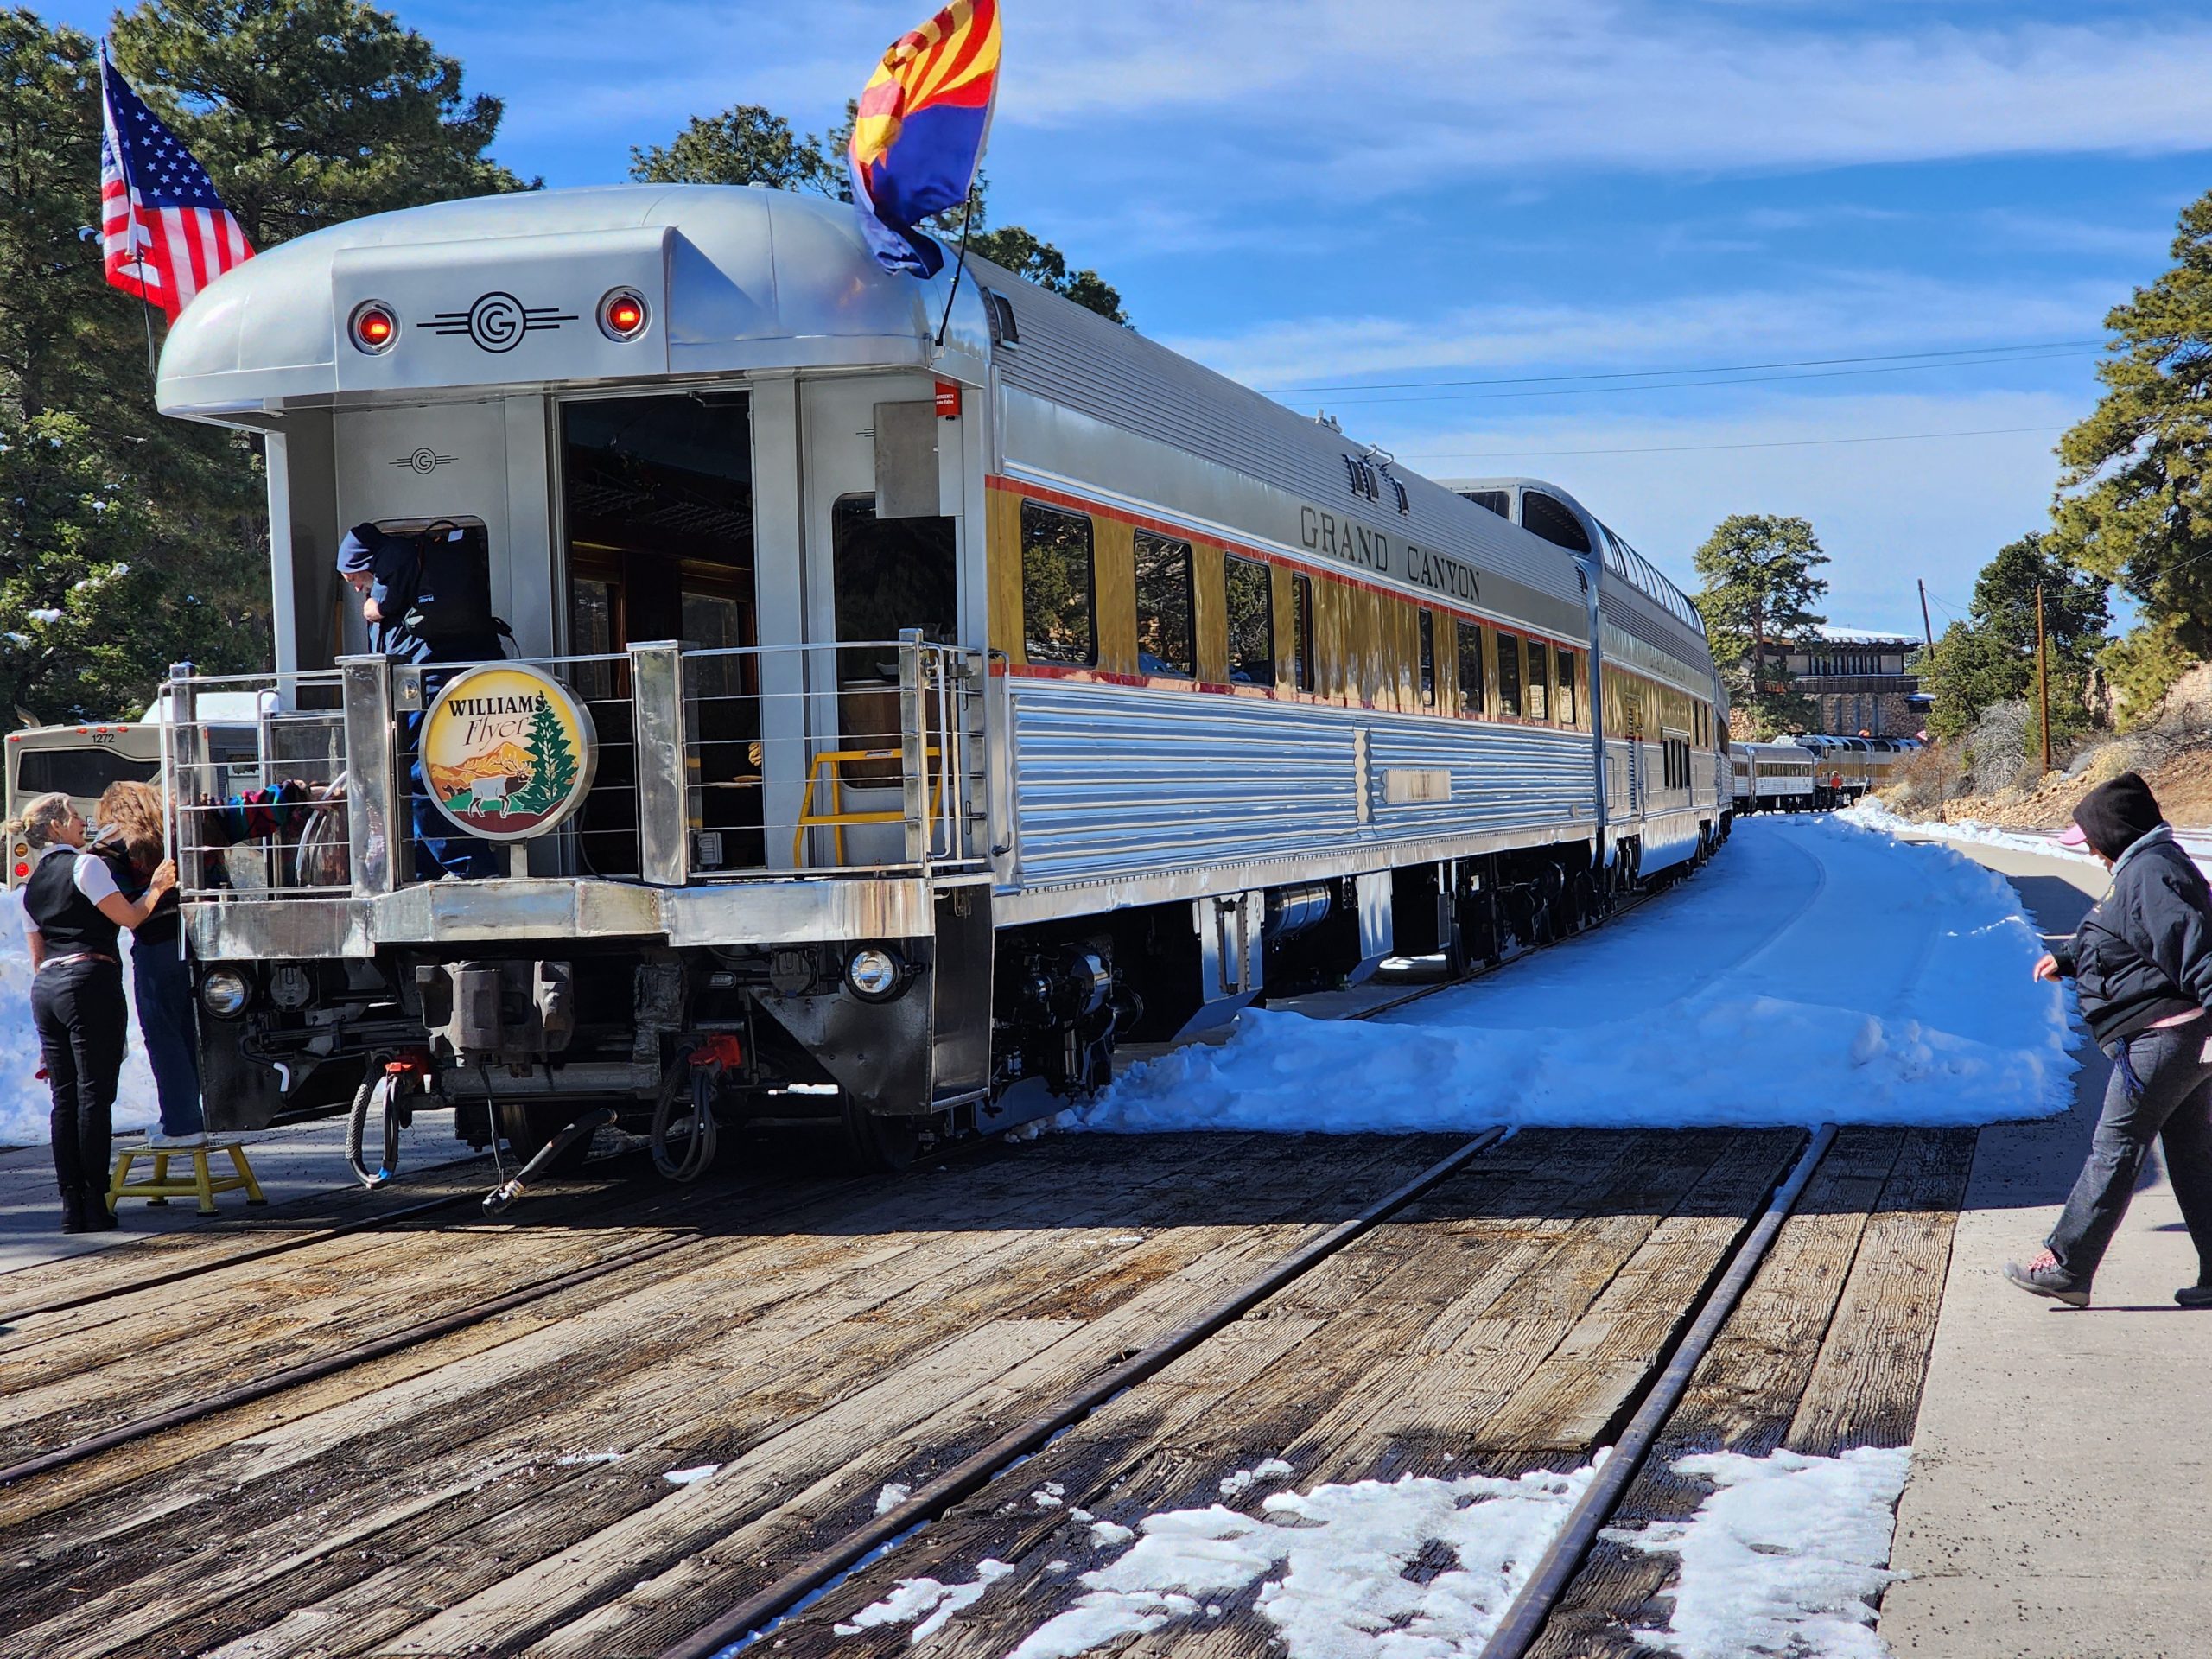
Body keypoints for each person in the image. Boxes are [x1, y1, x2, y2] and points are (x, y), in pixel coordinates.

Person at [2007, 772, 2212, 1308]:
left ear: (2114, 834)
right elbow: (2124, 928)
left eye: (2093, 842)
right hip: (2175, 1037)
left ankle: (2067, 1264)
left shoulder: (2153, 874)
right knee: (2193, 1156)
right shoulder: (2143, 869)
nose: (2093, 854)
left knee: (2115, 1150)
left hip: (2164, 1038)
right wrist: (2071, 956)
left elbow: (2200, 953)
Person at [5, 792, 177, 1233]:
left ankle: (70, 1204)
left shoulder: (29, 887)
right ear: (59, 826)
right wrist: (157, 886)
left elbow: (38, 955)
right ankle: (96, 1202)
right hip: (90, 981)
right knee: (94, 1099)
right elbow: (130, 917)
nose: (85, 825)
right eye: (77, 819)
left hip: (48, 991)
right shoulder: (87, 867)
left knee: (63, 1099)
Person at [337, 521, 504, 879]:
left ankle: (463, 867)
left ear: (364, 561)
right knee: (446, 775)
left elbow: (377, 610)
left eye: (352, 576)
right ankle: (438, 865)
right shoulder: (415, 563)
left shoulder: (393, 564)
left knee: (419, 778)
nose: (354, 587)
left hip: (423, 689)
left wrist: (373, 605)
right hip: (448, 685)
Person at [94, 780, 203, 1147]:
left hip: (158, 944)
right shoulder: (183, 824)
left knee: (164, 1033)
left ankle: (182, 1123)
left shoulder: (111, 847)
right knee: (194, 1032)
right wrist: (296, 794)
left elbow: (125, 909)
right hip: (205, 940)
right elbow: (240, 814)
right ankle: (185, 1113)